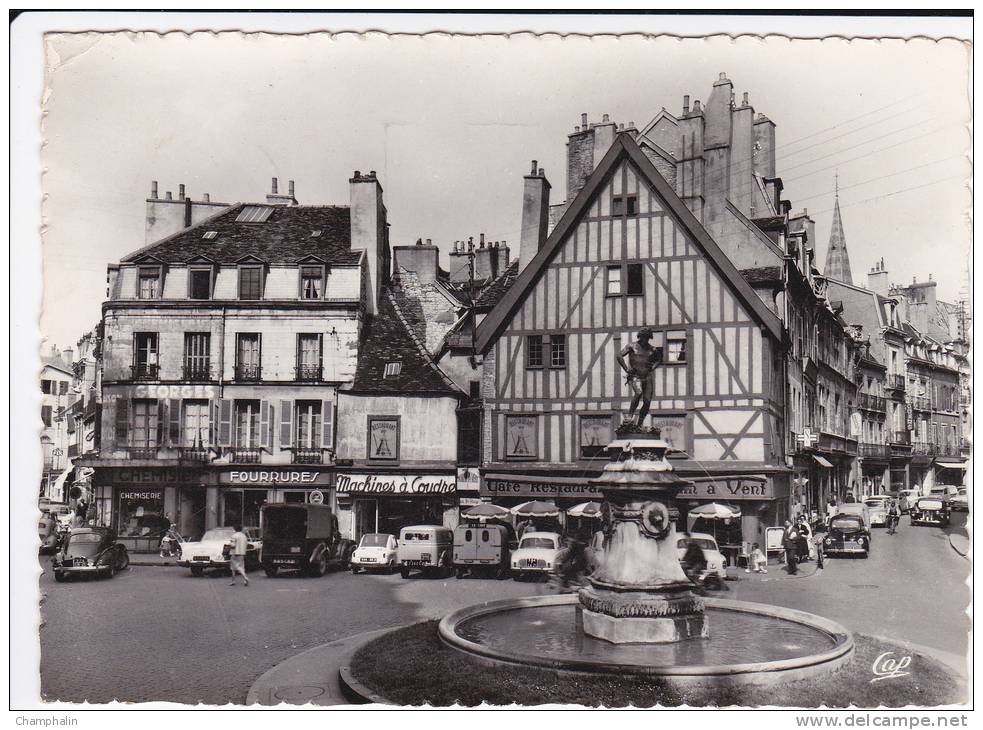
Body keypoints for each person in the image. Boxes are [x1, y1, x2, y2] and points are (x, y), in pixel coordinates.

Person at [616, 327, 663, 426]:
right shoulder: (631, 346)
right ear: (639, 336)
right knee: (638, 392)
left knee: (647, 401)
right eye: (643, 337)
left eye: (647, 337)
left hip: (647, 376)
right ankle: (629, 416)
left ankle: (639, 424)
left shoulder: (652, 349)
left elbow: (659, 359)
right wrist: (626, 369)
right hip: (635, 375)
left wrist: (653, 367)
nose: (645, 339)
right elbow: (619, 355)